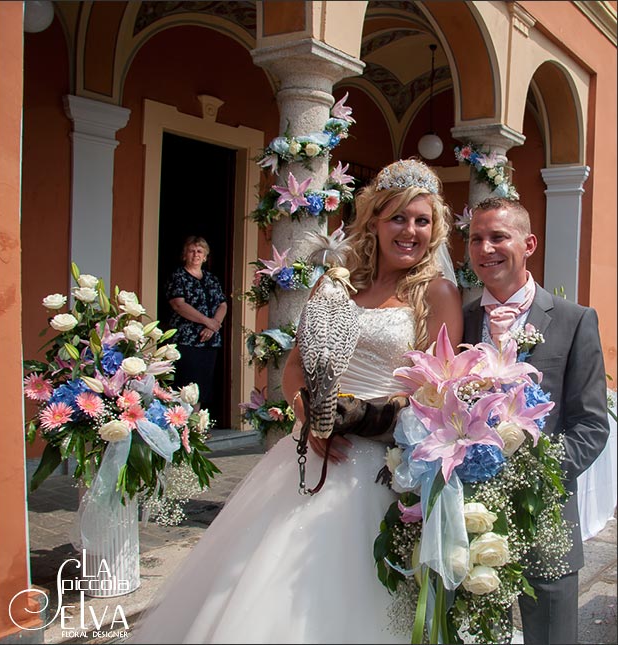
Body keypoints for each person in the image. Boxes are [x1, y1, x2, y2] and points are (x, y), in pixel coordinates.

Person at [131, 158, 462, 644]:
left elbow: (438, 388)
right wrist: (310, 417)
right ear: (373, 220)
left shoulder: (436, 292)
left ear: (434, 229)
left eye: (421, 220)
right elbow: (293, 370)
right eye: (397, 217)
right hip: (314, 451)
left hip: (388, 461)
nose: (409, 231)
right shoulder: (337, 281)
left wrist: (369, 418)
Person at [463, 196, 610, 645]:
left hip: (545, 516)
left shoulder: (574, 320)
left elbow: (591, 426)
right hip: (467, 517)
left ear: (528, 243)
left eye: (498, 237)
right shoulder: (461, 320)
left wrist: (530, 475)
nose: (485, 248)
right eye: (475, 239)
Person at [165, 235, 227, 414]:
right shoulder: (178, 276)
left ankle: (197, 426)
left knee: (202, 384)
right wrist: (207, 321)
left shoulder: (211, 279)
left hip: (209, 340)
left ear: (206, 256)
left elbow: (223, 304)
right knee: (184, 384)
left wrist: (213, 325)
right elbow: (179, 304)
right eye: (191, 251)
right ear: (184, 255)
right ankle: (182, 426)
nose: (196, 254)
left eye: (200, 251)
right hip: (187, 340)